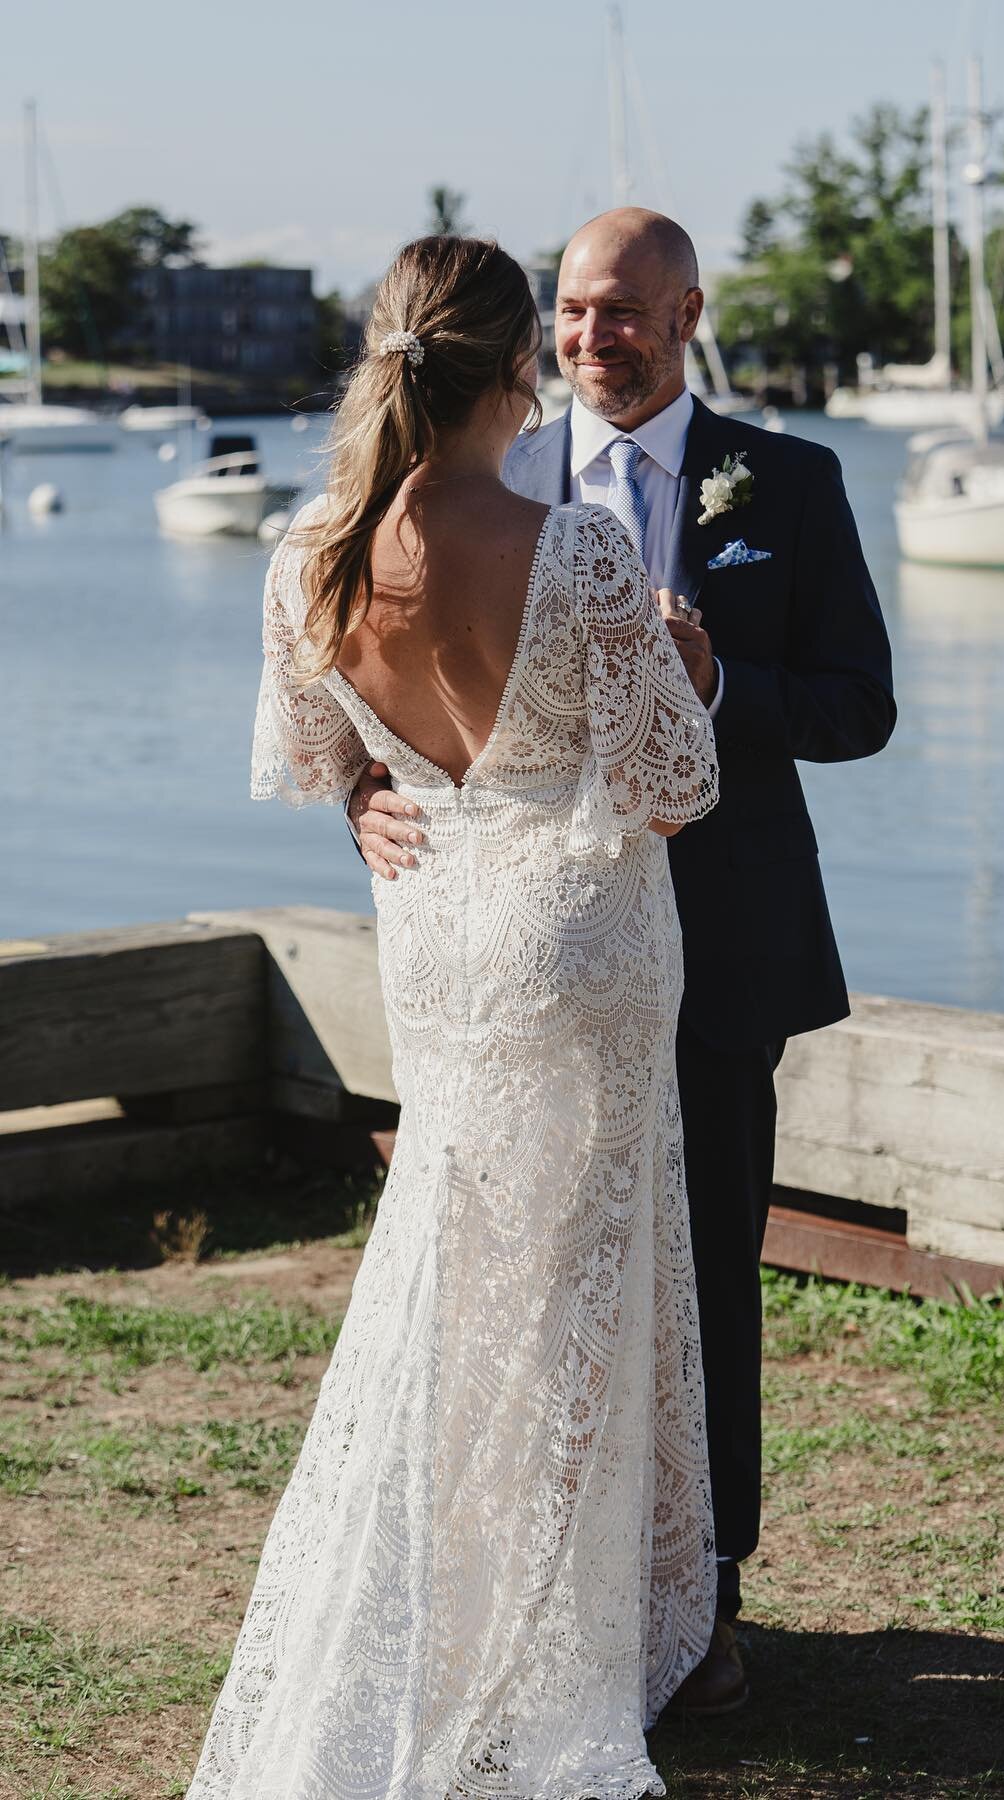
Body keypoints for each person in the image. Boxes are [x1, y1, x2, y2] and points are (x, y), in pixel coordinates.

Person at [187, 235, 720, 1799]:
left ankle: (454, 1622)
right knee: (574, 1300)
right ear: (522, 372)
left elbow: (314, 760)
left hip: (438, 949)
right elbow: (672, 791)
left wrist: (378, 778)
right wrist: (682, 667)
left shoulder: (306, 554)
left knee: (460, 1276)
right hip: (580, 945)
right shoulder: (577, 552)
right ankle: (540, 1659)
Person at [352, 208, 896, 1713]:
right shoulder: (492, 474)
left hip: (717, 955)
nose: (602, 339)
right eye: (578, 315)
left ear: (690, 313)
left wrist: (726, 682)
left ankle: (704, 1600)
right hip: (534, 963)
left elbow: (860, 706)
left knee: (704, 1274)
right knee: (532, 1284)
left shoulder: (791, 479)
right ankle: (550, 1586)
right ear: (541, 339)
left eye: (631, 313)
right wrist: (360, 795)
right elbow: (375, 673)